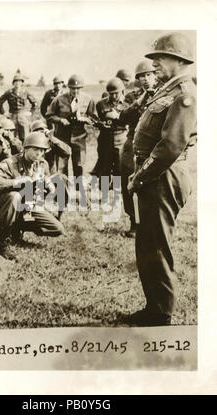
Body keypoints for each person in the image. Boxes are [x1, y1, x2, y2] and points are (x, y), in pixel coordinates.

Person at [126, 32, 197, 326]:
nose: (153, 64)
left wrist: (139, 177)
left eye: (159, 58)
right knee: (147, 243)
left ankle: (161, 313)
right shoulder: (165, 90)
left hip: (162, 177)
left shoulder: (184, 94)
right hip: (155, 178)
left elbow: (170, 147)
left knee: (156, 245)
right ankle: (153, 307)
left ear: (178, 59)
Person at [0, 132, 64, 260]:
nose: (39, 154)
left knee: (57, 229)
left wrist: (48, 186)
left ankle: (16, 227)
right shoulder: (10, 163)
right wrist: (17, 182)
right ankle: (3, 244)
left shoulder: (42, 164)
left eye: (42, 150)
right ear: (25, 149)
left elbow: (45, 184)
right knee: (14, 197)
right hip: (1, 203)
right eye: (35, 149)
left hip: (29, 203)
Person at [119, 60, 158, 237]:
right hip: (131, 144)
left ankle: (151, 223)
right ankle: (134, 221)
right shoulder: (132, 97)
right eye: (141, 76)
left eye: (148, 74)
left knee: (152, 186)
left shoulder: (164, 94)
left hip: (153, 147)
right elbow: (123, 117)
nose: (145, 79)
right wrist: (142, 98)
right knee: (127, 184)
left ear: (156, 75)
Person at [46, 74, 97, 179]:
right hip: (61, 137)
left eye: (78, 88)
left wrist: (87, 120)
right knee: (61, 166)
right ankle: (62, 193)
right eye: (73, 88)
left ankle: (79, 192)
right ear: (68, 87)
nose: (76, 91)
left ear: (81, 88)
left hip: (79, 138)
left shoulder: (88, 99)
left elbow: (94, 117)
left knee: (79, 166)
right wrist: (60, 120)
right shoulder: (59, 99)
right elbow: (49, 115)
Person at [91, 78, 127, 203]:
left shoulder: (128, 103)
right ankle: (104, 194)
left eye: (117, 93)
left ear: (122, 90)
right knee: (105, 166)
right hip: (105, 138)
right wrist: (101, 124)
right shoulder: (101, 104)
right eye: (111, 94)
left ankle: (117, 195)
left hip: (121, 137)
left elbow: (131, 120)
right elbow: (94, 119)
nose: (114, 96)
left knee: (119, 167)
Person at [0, 72, 37, 142]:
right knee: (11, 137)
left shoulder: (25, 92)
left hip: (23, 117)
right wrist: (4, 113)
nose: (17, 83)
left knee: (25, 137)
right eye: (16, 81)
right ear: (13, 83)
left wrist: (30, 112)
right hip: (12, 117)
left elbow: (35, 103)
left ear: (22, 83)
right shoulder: (9, 92)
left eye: (19, 81)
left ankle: (24, 152)